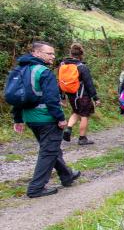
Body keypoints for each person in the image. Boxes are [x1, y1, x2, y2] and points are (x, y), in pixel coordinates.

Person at [7, 41, 80, 198]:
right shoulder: (43, 72)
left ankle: (67, 176)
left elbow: (17, 98)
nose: (53, 57)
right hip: (46, 118)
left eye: (53, 53)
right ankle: (36, 188)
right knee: (48, 151)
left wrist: (18, 118)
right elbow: (52, 99)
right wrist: (60, 118)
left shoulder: (21, 69)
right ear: (36, 53)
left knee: (51, 148)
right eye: (49, 53)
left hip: (30, 118)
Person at [61, 43, 100, 145]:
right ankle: (82, 138)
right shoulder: (82, 67)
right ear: (81, 54)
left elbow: (60, 81)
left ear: (71, 53)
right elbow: (89, 83)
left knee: (76, 112)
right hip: (83, 95)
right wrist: (95, 98)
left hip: (71, 94)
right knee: (84, 115)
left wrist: (62, 97)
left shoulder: (63, 65)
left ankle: (68, 129)